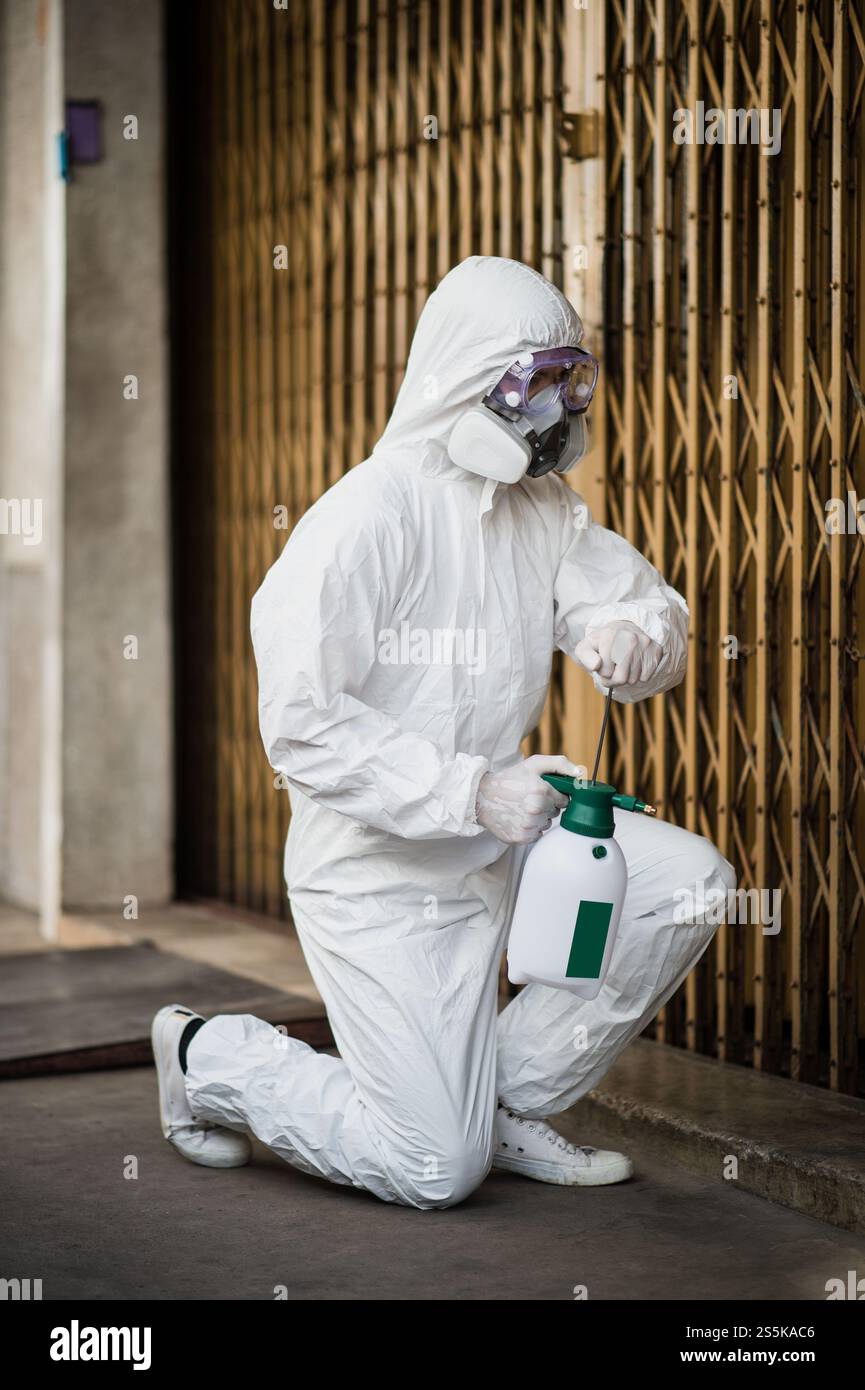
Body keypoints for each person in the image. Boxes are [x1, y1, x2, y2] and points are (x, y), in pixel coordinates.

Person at [152, 256, 735, 1208]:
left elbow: (632, 601)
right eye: (529, 386)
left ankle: (503, 1102)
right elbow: (300, 726)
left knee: (688, 887)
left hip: (504, 834)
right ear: (462, 379)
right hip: (377, 873)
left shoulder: (539, 508)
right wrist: (467, 791)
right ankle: (205, 1054)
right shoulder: (361, 522)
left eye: (564, 385)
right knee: (432, 1169)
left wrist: (637, 638)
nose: (550, 416)